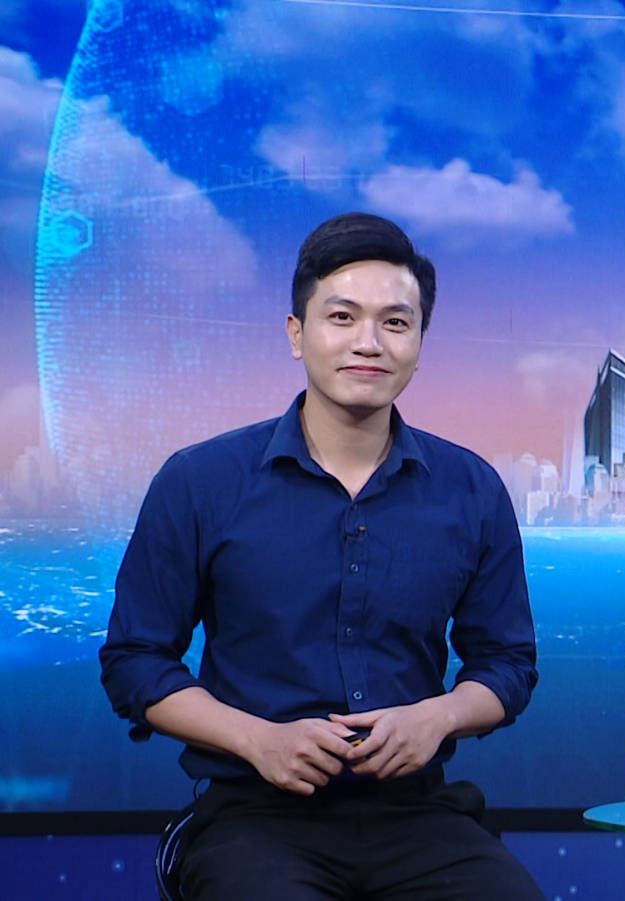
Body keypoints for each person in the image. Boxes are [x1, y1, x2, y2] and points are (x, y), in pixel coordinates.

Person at [100, 212, 544, 900]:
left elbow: (508, 662)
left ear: (419, 344)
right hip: (254, 816)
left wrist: (438, 716)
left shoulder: (472, 489)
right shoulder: (200, 480)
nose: (369, 342)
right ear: (296, 333)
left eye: (395, 323)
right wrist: (258, 739)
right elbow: (135, 659)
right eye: (342, 316)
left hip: (417, 814)